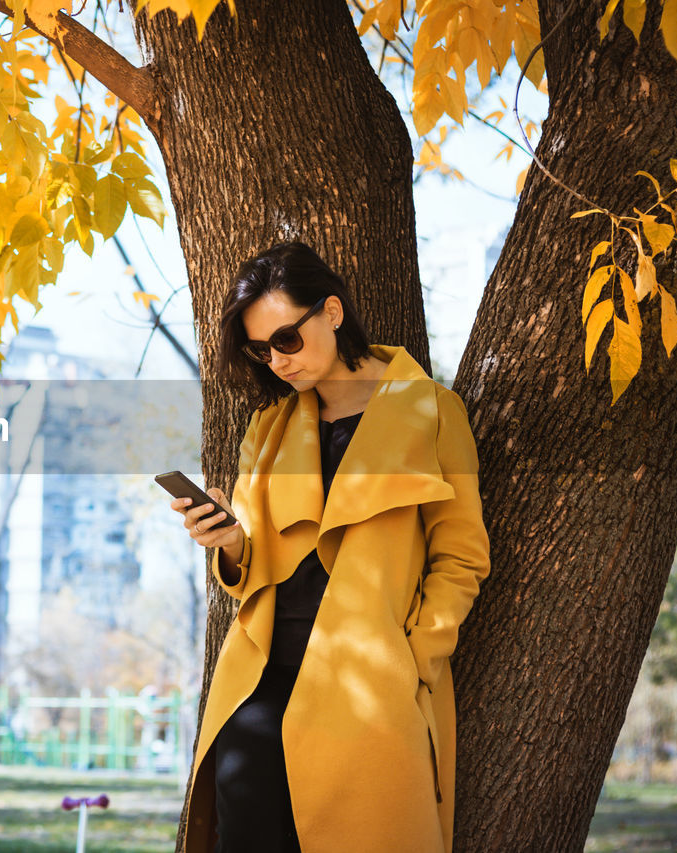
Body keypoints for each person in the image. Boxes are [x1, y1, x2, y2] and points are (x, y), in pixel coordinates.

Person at [168, 242, 491, 853]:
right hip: (259, 689)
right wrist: (229, 541)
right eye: (261, 350)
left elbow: (462, 555)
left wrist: (414, 661)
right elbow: (253, 567)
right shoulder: (267, 429)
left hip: (369, 691)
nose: (278, 361)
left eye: (287, 339)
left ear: (333, 312)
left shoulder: (433, 414)